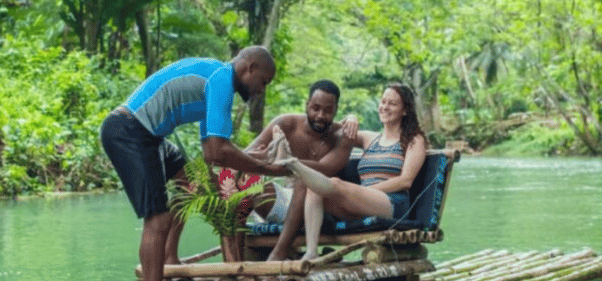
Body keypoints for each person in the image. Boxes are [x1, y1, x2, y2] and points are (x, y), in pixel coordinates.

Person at [100, 46, 289, 281]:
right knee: (158, 219)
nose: (261, 90)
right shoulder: (221, 80)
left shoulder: (217, 80)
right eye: (264, 82)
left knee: (192, 180)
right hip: (130, 131)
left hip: (149, 135)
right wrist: (267, 168)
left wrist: (253, 161)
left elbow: (210, 153)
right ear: (250, 68)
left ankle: (170, 257)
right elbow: (220, 151)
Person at [274, 82, 427, 260]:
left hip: (392, 204)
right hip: (360, 203)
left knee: (336, 184)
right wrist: (350, 118)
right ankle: (311, 253)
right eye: (383, 102)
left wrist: (365, 191)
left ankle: (292, 163)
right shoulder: (369, 138)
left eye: (392, 104)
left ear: (405, 110)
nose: (385, 107)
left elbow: (405, 181)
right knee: (313, 187)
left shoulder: (414, 139)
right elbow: (334, 131)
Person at [241, 79, 358, 261]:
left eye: (328, 110)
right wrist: (266, 156)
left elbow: (325, 168)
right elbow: (246, 157)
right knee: (250, 186)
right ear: (307, 105)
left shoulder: (342, 136)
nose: (320, 115)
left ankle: (279, 253)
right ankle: (236, 254)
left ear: (336, 110)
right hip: (287, 204)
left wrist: (284, 160)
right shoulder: (286, 124)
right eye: (315, 108)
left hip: (319, 210)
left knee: (306, 178)